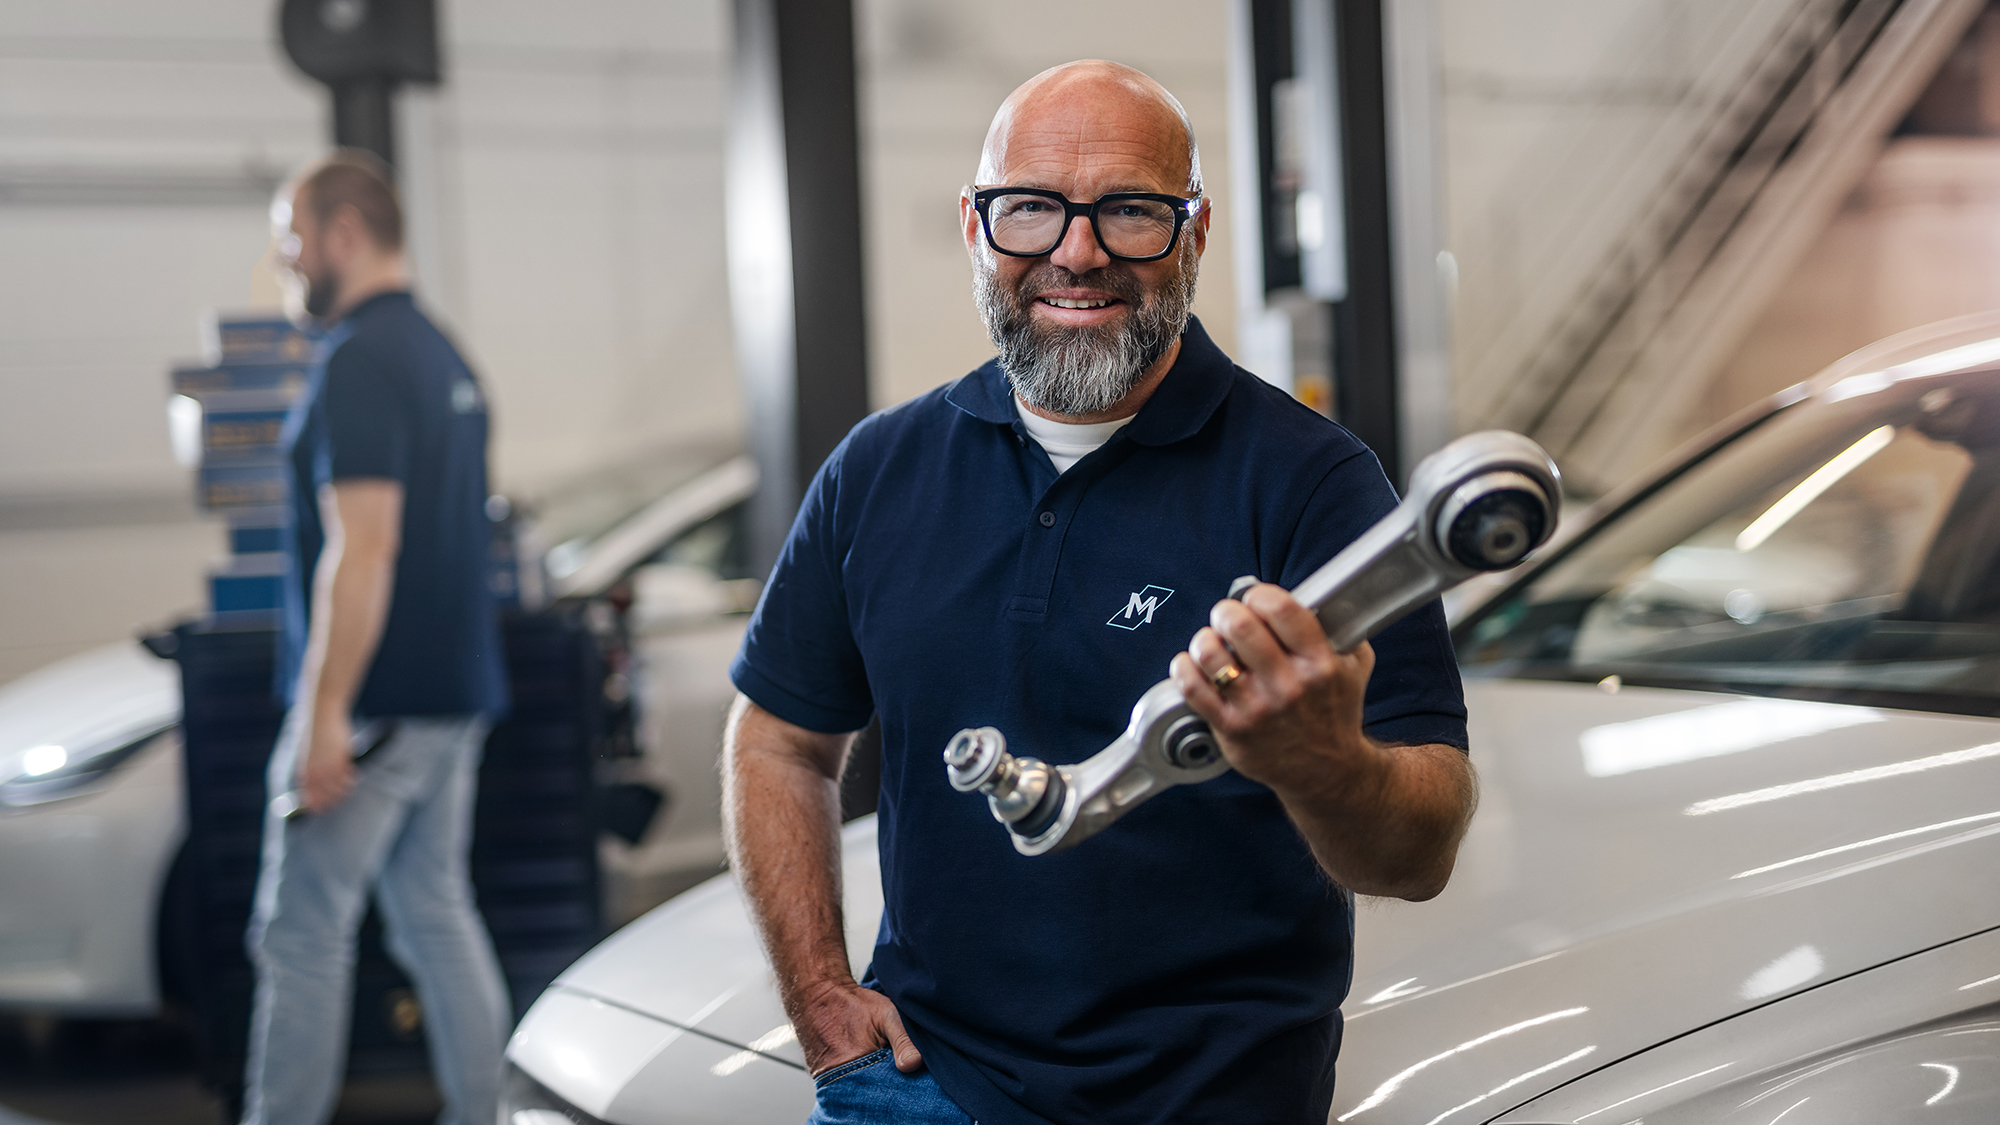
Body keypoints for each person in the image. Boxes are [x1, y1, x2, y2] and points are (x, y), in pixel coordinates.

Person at [724, 60, 1476, 1125]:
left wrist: (1321, 761)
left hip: (1211, 1101)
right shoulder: (877, 471)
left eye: (1127, 211)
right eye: (1029, 209)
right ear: (975, 227)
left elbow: (1420, 850)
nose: (1075, 253)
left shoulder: (1311, 481)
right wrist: (819, 1001)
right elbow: (777, 741)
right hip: (920, 1088)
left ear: (1195, 231)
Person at [241, 150, 512, 1125]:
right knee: (433, 913)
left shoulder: (357, 360)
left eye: (290, 237)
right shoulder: (442, 356)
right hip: (449, 698)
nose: (282, 260)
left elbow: (365, 548)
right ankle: (485, 1114)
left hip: (376, 709)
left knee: (299, 933)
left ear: (342, 235)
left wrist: (323, 716)